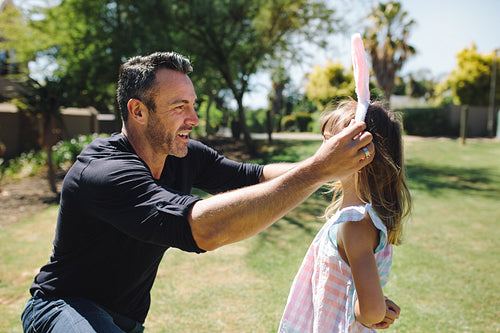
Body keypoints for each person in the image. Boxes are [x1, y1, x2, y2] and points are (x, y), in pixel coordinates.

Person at [21, 51, 374, 333]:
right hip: (63, 308)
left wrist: (336, 168)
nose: (194, 118)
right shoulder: (104, 172)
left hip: (125, 320)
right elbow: (203, 229)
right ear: (138, 110)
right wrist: (318, 169)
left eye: (193, 104)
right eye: (180, 107)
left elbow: (253, 176)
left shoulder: (182, 155)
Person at [278, 100, 412, 332]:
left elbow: (369, 312)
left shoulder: (355, 225)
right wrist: (374, 304)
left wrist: (372, 310)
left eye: (330, 145)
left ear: (362, 156)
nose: (320, 154)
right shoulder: (354, 220)